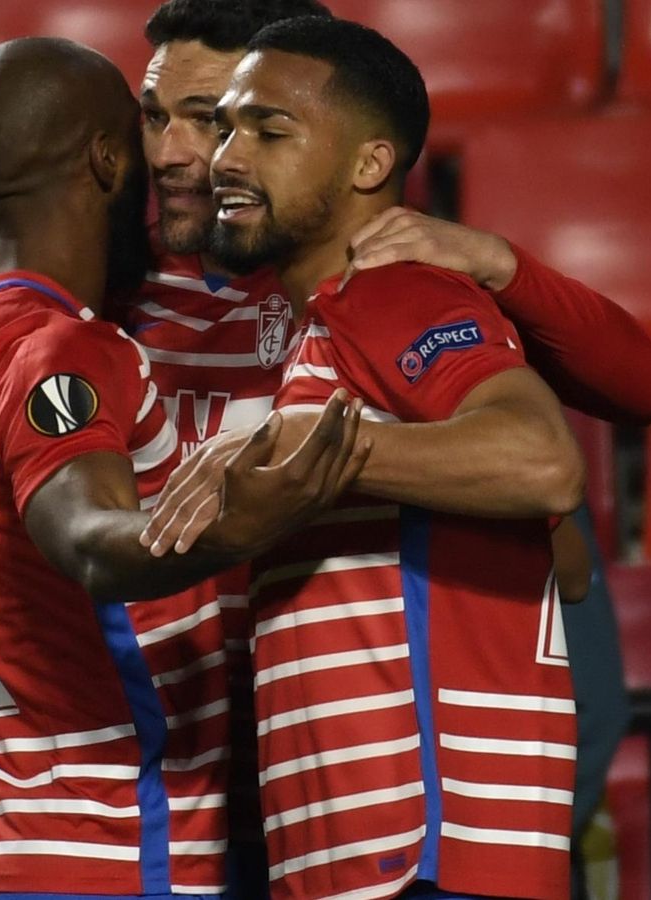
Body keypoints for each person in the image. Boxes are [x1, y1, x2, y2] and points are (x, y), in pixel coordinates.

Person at [0, 3, 651, 893]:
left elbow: (620, 428)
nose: (184, 153)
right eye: (158, 118)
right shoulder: (116, 295)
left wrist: (502, 266)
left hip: (377, 776)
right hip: (205, 782)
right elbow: (2, 281)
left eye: (224, 121)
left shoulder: (363, 280)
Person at [0, 36, 367, 898]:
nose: (167, 155)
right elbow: (87, 538)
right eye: (145, 125)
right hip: (102, 841)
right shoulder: (71, 346)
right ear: (106, 158)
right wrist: (249, 517)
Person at [155, 15, 594, 898]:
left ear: (367, 165)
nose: (225, 160)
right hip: (362, 854)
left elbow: (543, 459)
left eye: (266, 132)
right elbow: (566, 553)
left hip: (423, 850)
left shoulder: (392, 292)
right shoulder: (323, 330)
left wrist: (308, 456)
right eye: (226, 128)